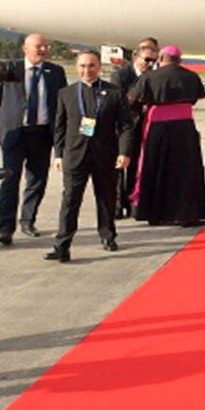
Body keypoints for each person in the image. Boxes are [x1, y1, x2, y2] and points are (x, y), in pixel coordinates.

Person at [46, 50, 134, 262]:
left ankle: (107, 235)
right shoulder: (66, 93)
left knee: (106, 198)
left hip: (105, 154)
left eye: (92, 66)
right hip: (75, 155)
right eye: (83, 66)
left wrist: (124, 151)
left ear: (99, 67)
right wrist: (58, 154)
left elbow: (125, 125)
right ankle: (62, 245)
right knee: (70, 200)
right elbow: (59, 127)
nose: (87, 70)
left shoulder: (114, 92)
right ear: (77, 67)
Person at [0, 33, 68, 245]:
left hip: (41, 135)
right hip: (14, 134)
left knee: (37, 181)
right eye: (38, 46)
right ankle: (5, 228)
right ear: (25, 48)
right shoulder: (8, 69)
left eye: (45, 46)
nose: (43, 50)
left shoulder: (55, 72)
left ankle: (28, 221)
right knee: (10, 182)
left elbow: (62, 107)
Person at [128, 45, 205, 226]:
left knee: (156, 167)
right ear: (179, 60)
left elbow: (133, 102)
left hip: (158, 127)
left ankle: (155, 213)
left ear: (161, 58)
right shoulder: (191, 76)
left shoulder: (149, 77)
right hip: (184, 128)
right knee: (186, 170)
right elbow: (195, 99)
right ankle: (187, 214)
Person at [113, 44, 156, 219]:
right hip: (122, 127)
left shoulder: (152, 76)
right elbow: (119, 101)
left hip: (142, 126)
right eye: (146, 60)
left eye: (153, 61)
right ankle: (116, 205)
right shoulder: (121, 75)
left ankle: (131, 203)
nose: (149, 64)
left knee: (135, 167)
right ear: (135, 58)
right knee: (118, 167)